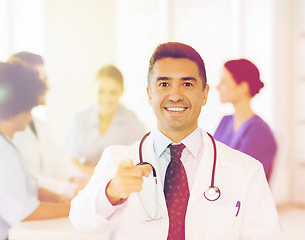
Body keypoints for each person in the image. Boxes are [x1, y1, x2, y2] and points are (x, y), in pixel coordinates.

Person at [69, 42, 283, 239]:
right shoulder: (116, 160)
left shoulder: (246, 171)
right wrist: (112, 191)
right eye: (163, 83)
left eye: (187, 84)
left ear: (205, 94)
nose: (175, 95)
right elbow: (80, 221)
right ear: (149, 94)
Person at [0, 60, 71, 240]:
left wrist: (60, 199)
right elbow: (25, 211)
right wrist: (74, 209)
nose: (31, 114)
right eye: (29, 108)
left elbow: (27, 188)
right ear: (14, 107)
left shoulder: (0, 143)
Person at [9, 51, 86, 197]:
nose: (48, 87)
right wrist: (71, 189)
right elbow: (27, 180)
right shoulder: (9, 132)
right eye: (42, 81)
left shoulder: (39, 126)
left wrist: (76, 178)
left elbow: (58, 160)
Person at [62, 65, 145, 177]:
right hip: (85, 181)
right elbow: (70, 161)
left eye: (113, 92)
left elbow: (137, 162)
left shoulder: (131, 120)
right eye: (101, 91)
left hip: (120, 182)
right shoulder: (79, 119)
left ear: (122, 91)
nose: (106, 98)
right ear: (92, 89)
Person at [214, 59, 277, 181]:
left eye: (224, 82)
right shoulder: (225, 121)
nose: (217, 87)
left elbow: (242, 176)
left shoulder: (258, 131)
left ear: (243, 87)